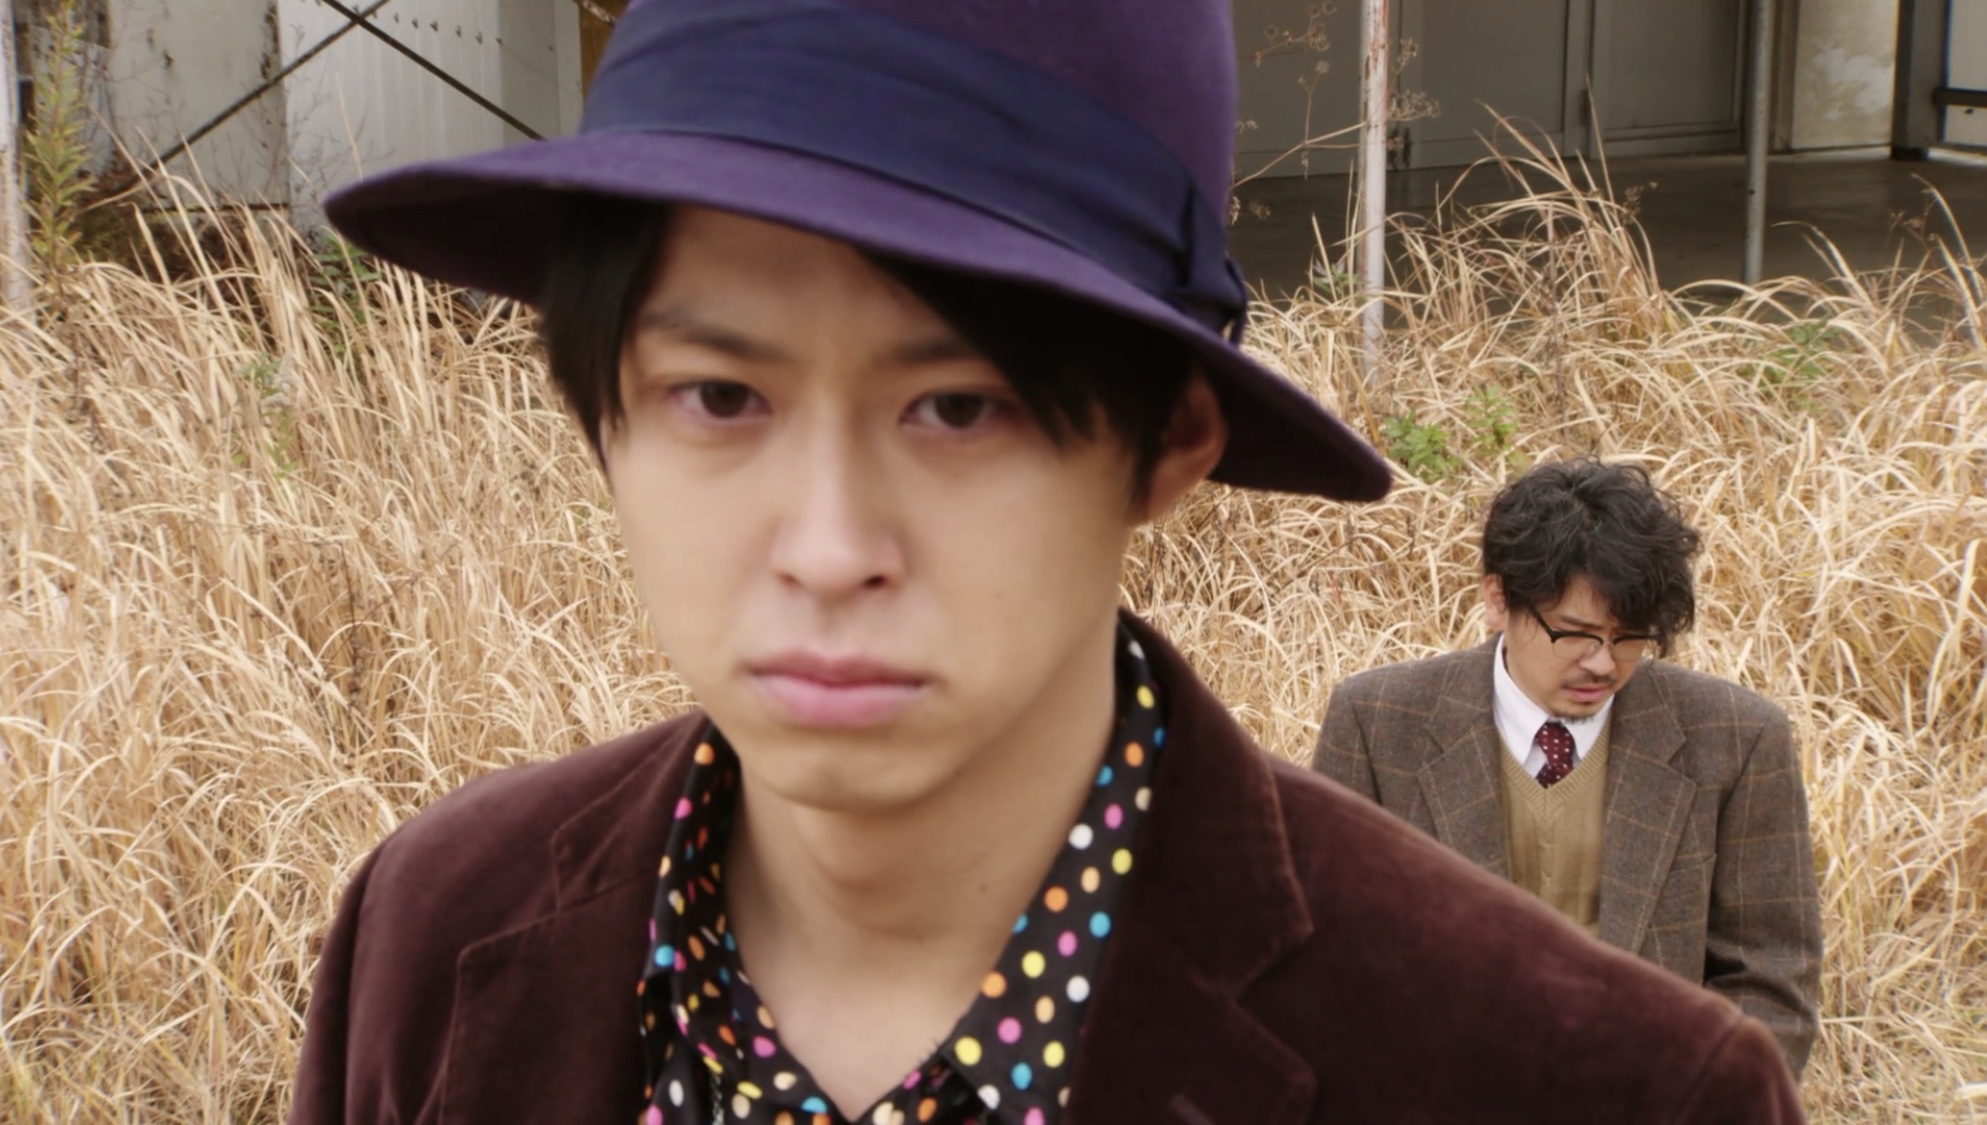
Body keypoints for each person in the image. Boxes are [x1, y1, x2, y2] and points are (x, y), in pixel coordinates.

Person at [289, 2, 1807, 1122]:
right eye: (719, 396)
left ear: (1168, 442)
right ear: (601, 409)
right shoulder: (433, 931)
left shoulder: (1578, 1083)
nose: (826, 548)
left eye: (957, 408)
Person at [1313, 458, 1824, 1077]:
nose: (1603, 664)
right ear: (1498, 599)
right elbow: (1329, 957)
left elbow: (1771, 976)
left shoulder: (1738, 739)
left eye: (1629, 636)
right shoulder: (1376, 723)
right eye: (1574, 633)